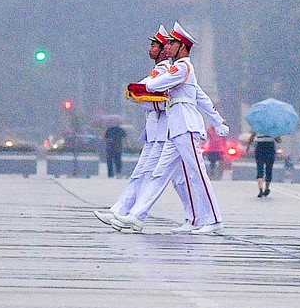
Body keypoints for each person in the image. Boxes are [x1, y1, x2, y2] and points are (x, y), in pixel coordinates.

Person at [112, 21, 229, 234]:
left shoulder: (183, 67)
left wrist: (140, 87)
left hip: (186, 125)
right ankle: (137, 216)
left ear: (182, 46)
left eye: (173, 43)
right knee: (159, 173)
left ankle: (214, 219)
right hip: (175, 129)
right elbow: (202, 97)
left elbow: (157, 85)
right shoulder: (181, 69)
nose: (169, 47)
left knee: (197, 174)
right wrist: (218, 121)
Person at [244, 129, 278, 198]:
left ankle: (260, 189)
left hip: (260, 147)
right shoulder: (273, 127)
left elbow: (252, 137)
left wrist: (248, 147)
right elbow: (278, 140)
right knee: (269, 169)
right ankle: (267, 188)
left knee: (260, 168)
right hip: (270, 147)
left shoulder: (258, 126)